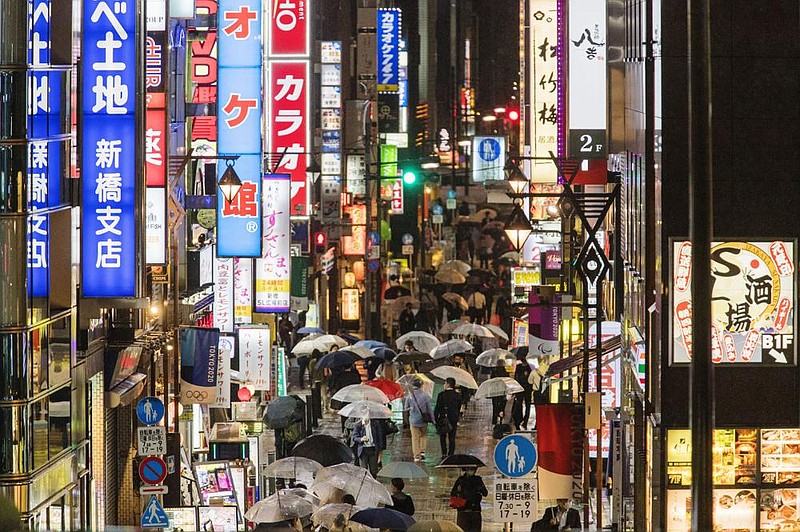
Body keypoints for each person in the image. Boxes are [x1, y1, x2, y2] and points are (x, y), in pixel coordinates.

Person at [404, 378, 433, 461]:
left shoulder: (409, 396)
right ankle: (422, 451)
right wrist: (433, 420)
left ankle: (416, 455)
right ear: (421, 386)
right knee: (423, 435)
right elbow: (429, 409)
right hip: (423, 420)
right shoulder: (425, 395)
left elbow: (406, 408)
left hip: (413, 421)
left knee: (415, 438)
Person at [435, 377, 462, 457]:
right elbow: (458, 407)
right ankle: (451, 454)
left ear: (447, 384)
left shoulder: (441, 395)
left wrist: (435, 419)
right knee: (452, 437)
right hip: (453, 418)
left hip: (443, 418)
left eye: (445, 383)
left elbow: (437, 408)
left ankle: (444, 453)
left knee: (442, 437)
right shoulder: (457, 395)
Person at [514, 351, 533, 428]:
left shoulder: (530, 367)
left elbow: (531, 378)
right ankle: (519, 419)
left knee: (527, 404)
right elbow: (516, 377)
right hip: (520, 388)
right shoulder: (519, 367)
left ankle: (525, 420)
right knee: (519, 404)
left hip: (527, 388)